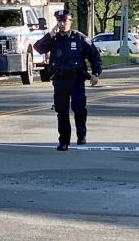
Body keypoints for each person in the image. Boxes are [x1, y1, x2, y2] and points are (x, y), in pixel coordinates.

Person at [33, 9, 102, 151]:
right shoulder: (53, 38)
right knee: (62, 109)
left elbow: (94, 55)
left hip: (76, 78)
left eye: (65, 21)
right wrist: (49, 35)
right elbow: (38, 48)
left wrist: (96, 73)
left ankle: (81, 135)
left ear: (70, 22)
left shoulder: (79, 38)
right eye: (60, 21)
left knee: (78, 107)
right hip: (60, 79)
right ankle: (64, 141)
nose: (62, 23)